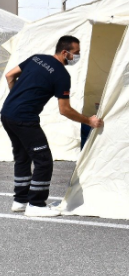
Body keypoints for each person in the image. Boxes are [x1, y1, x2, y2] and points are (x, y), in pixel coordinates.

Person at [2, 36, 103, 217]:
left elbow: (10, 75)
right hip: (24, 118)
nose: (78, 56)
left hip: (7, 113)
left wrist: (18, 98)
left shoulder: (36, 58)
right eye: (76, 53)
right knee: (43, 160)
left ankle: (20, 200)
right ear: (65, 52)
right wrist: (89, 121)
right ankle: (36, 205)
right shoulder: (61, 75)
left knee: (22, 156)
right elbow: (65, 110)